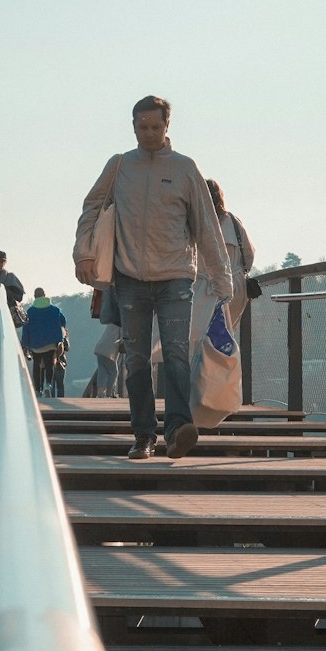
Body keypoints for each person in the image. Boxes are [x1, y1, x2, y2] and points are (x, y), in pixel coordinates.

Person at [73, 94, 231, 461]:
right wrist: (84, 253)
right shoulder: (119, 166)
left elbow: (207, 226)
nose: (149, 133)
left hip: (176, 276)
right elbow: (91, 207)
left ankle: (177, 430)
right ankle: (143, 435)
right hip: (129, 278)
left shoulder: (185, 169)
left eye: (155, 127)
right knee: (138, 360)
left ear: (167, 127)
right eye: (142, 127)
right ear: (133, 127)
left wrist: (222, 279)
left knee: (177, 354)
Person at [191, 180, 256, 351]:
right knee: (224, 336)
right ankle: (223, 370)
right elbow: (249, 254)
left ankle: (204, 372)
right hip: (235, 287)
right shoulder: (234, 222)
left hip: (204, 288)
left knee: (199, 338)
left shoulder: (195, 223)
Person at [20, 289, 67, 397]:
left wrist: (24, 344)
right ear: (45, 296)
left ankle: (37, 390)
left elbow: (26, 329)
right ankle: (48, 385)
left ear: (35, 297)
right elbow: (63, 321)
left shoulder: (30, 311)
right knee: (49, 364)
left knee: (37, 365)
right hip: (51, 342)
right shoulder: (55, 310)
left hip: (35, 344)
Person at [94, 322, 122, 397]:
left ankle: (100, 392)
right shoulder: (121, 324)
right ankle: (110, 393)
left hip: (99, 348)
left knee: (102, 371)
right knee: (113, 372)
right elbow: (123, 338)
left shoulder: (112, 322)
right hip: (108, 351)